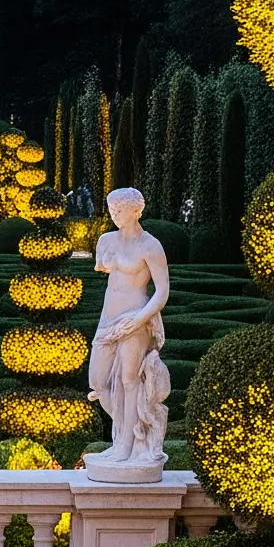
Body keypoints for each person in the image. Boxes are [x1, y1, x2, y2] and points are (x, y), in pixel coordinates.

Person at [87, 186, 171, 471]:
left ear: (136, 210)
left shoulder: (150, 245)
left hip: (136, 316)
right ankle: (124, 432)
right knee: (98, 382)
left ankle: (126, 446)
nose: (114, 215)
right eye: (111, 209)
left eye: (119, 210)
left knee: (128, 380)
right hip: (108, 318)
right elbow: (106, 274)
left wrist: (140, 318)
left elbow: (162, 292)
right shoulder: (106, 241)